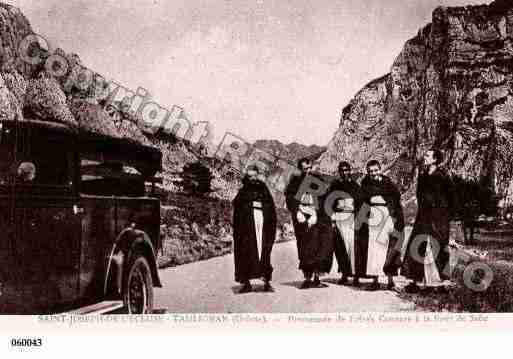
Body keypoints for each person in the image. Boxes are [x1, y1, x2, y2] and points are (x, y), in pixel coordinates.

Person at [401, 149, 454, 293]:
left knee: (438, 247)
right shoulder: (423, 176)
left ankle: (441, 283)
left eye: (428, 155)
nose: (424, 157)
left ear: (435, 159)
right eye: (425, 155)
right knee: (417, 245)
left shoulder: (443, 176)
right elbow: (419, 195)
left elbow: (450, 198)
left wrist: (442, 213)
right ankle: (415, 282)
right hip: (423, 216)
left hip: (439, 218)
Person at [285, 158, 333, 289]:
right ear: (299, 169)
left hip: (317, 217)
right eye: (304, 169)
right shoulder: (295, 182)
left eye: (309, 168)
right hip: (302, 217)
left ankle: (317, 278)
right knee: (305, 248)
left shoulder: (318, 180)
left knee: (319, 246)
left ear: (312, 167)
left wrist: (317, 214)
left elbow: (324, 198)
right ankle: (307, 278)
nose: (307, 171)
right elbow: (290, 198)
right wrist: (297, 212)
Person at [232, 164, 277, 293]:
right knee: (246, 252)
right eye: (249, 176)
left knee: (264, 252)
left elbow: (270, 206)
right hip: (247, 227)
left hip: (262, 223)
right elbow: (238, 207)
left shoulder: (263, 188)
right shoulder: (243, 190)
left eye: (254, 176)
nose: (252, 178)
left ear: (257, 175)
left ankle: (267, 282)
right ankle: (246, 283)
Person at [360, 160, 404, 290]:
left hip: (388, 214)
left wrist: (396, 217)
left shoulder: (387, 182)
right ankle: (375, 280)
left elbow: (396, 197)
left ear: (380, 169)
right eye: (370, 171)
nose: (373, 173)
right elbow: (363, 201)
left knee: (391, 247)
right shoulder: (365, 183)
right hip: (374, 215)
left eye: (375, 170)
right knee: (375, 247)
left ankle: (390, 281)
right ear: (367, 172)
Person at [327, 161, 365, 285]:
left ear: (350, 171)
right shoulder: (335, 185)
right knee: (340, 246)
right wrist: (332, 217)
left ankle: (356, 276)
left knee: (352, 246)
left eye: (346, 170)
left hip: (351, 217)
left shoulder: (355, 186)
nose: (344, 173)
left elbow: (360, 202)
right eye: (342, 170)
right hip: (338, 216)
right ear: (339, 172)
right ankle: (344, 274)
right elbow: (329, 201)